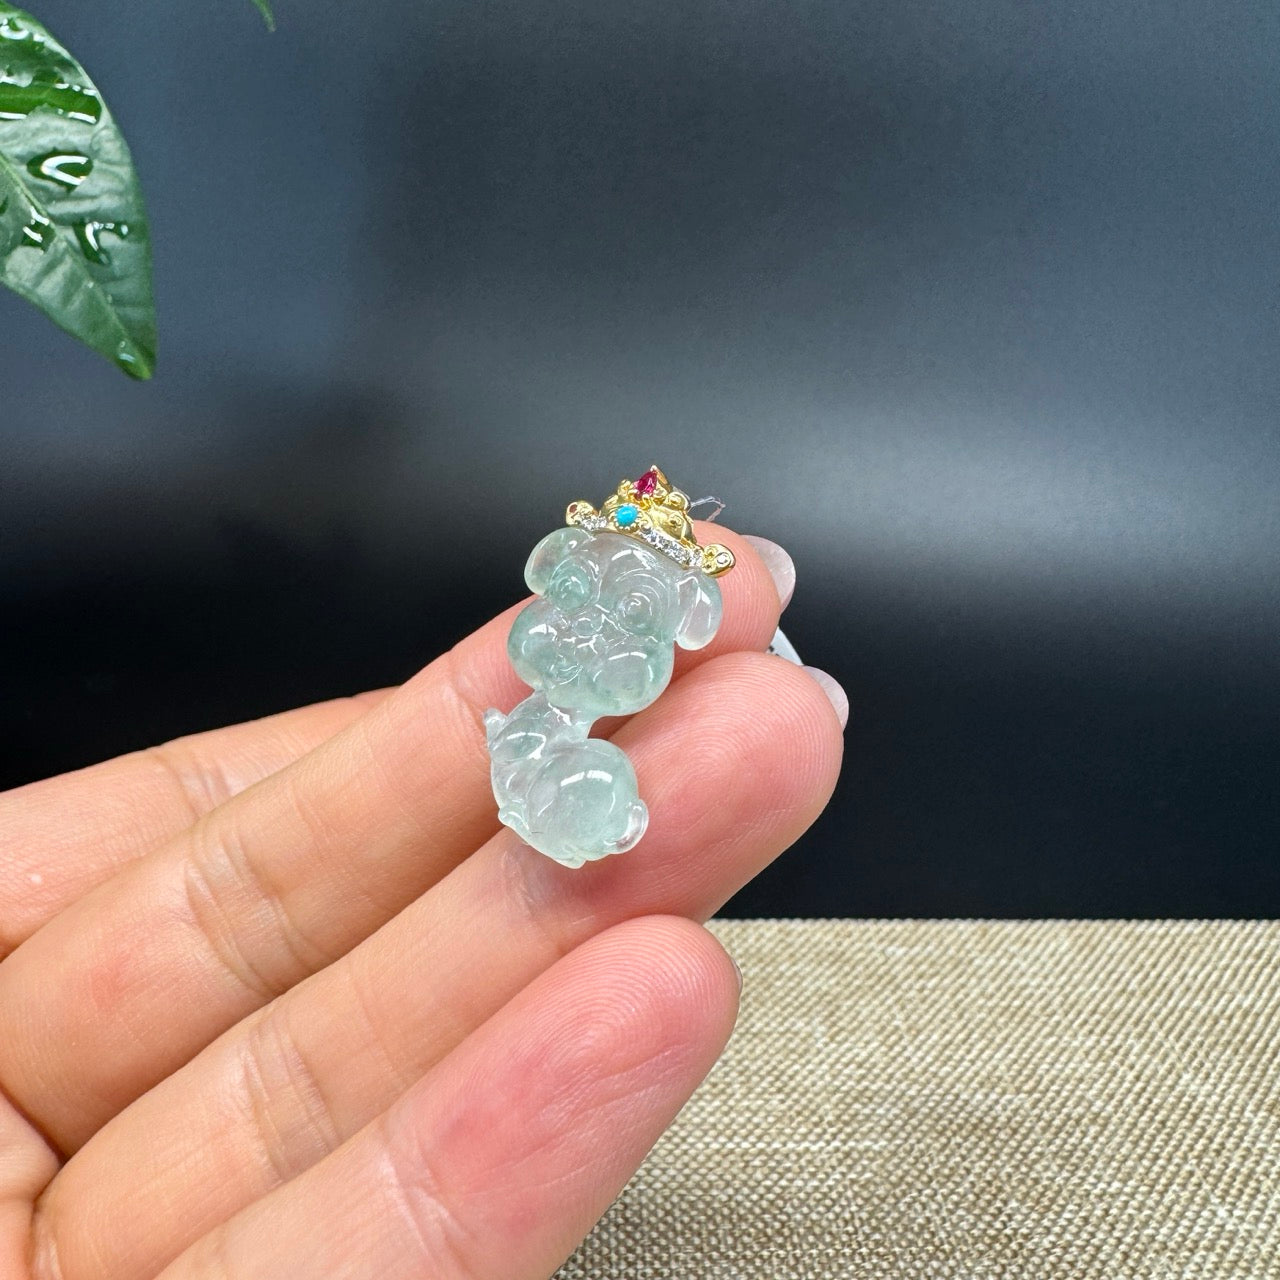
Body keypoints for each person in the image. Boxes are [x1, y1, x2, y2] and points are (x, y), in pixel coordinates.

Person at [0, 529, 844, 1279]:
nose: (584, 632)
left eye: (627, 617)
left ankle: (585, 806)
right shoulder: (541, 703)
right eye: (573, 597)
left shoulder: (585, 738)